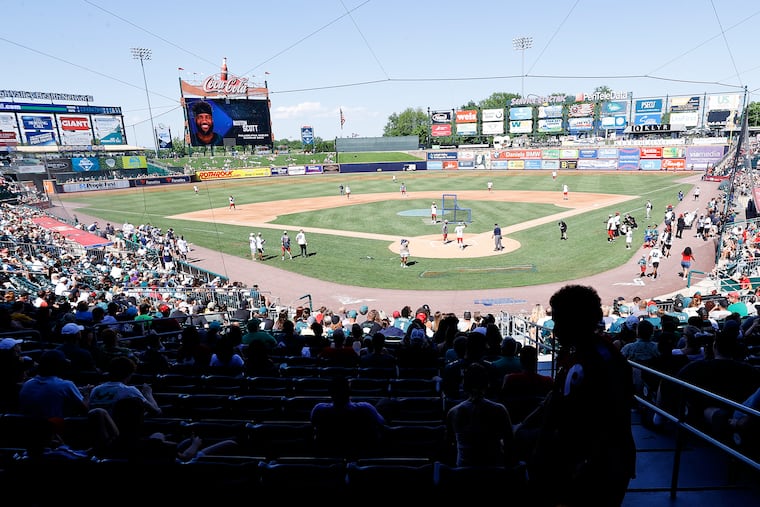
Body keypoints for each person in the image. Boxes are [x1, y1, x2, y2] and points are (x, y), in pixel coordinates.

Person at [519, 284, 636, 507]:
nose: (555, 329)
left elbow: (612, 420)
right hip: (578, 459)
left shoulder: (606, 361)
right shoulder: (577, 352)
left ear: (575, 322)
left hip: (599, 468)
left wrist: (585, 465)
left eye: (559, 320)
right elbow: (555, 401)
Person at [446, 362, 516, 467]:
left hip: (463, 474)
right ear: (487, 384)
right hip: (494, 472)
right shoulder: (499, 410)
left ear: (464, 385)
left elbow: (449, 446)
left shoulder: (453, 412)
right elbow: (510, 445)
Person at [310, 376, 386, 459]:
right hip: (359, 455)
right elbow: (381, 422)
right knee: (384, 403)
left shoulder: (319, 410)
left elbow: (313, 425)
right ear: (349, 391)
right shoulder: (366, 409)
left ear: (330, 392)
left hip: (328, 454)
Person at [88, 356, 162, 416]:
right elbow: (156, 411)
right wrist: (148, 394)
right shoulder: (130, 390)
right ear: (130, 374)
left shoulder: (95, 389)